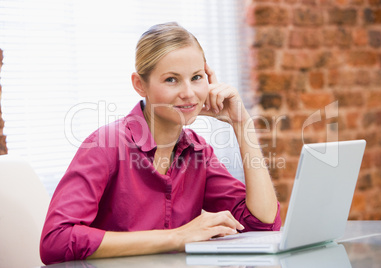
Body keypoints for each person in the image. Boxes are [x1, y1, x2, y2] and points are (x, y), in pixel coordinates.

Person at [40, 22, 281, 265]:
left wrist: (243, 124)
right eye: (171, 80)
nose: (189, 92)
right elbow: (56, 241)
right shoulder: (105, 145)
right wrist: (177, 237)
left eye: (196, 77)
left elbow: (263, 224)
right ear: (139, 85)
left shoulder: (198, 152)